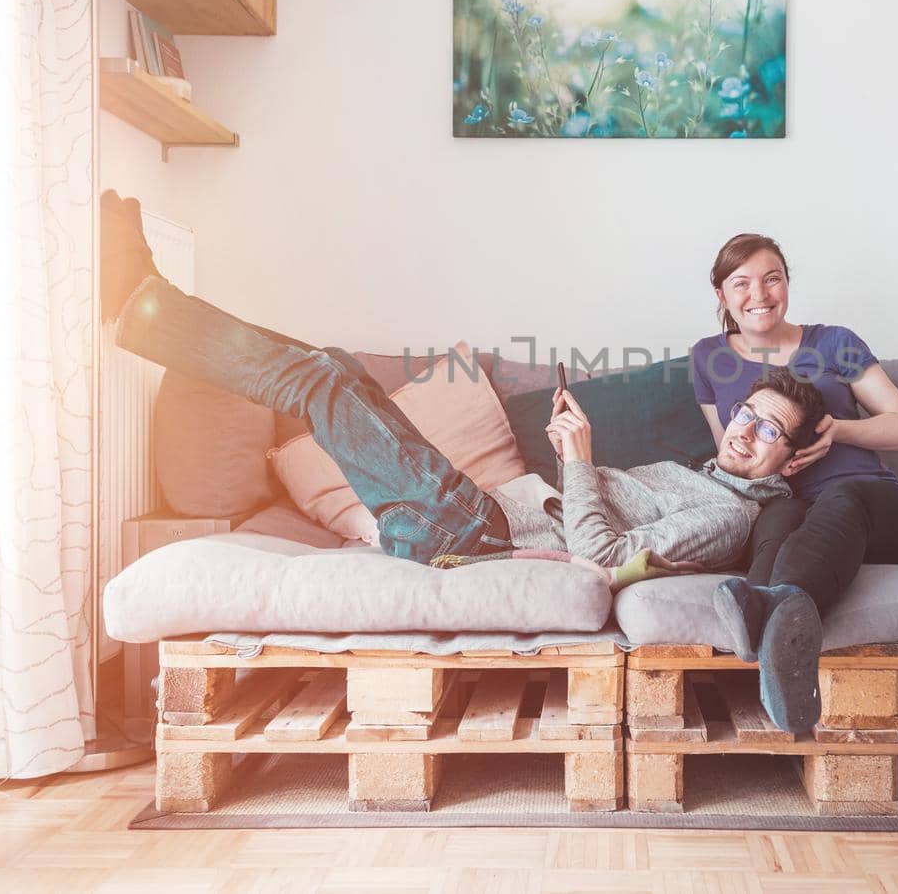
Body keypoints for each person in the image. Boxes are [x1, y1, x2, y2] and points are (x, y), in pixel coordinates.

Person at [100, 193, 830, 729]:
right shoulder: (704, 471)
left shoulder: (727, 515)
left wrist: (578, 459)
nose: (744, 430)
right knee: (332, 368)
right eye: (746, 413)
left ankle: (142, 307)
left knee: (321, 382)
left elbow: (605, 554)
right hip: (467, 510)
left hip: (466, 535)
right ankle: (150, 301)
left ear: (789, 462)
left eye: (770, 431)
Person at [692, 233, 898, 708]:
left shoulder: (835, 342)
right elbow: (728, 452)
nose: (758, 295)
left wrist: (838, 432)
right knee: (777, 518)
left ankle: (772, 613)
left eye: (772, 279)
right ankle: (772, 645)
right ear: (721, 296)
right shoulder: (708, 357)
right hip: (785, 507)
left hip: (874, 505)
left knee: (843, 498)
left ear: (787, 285)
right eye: (741, 283)